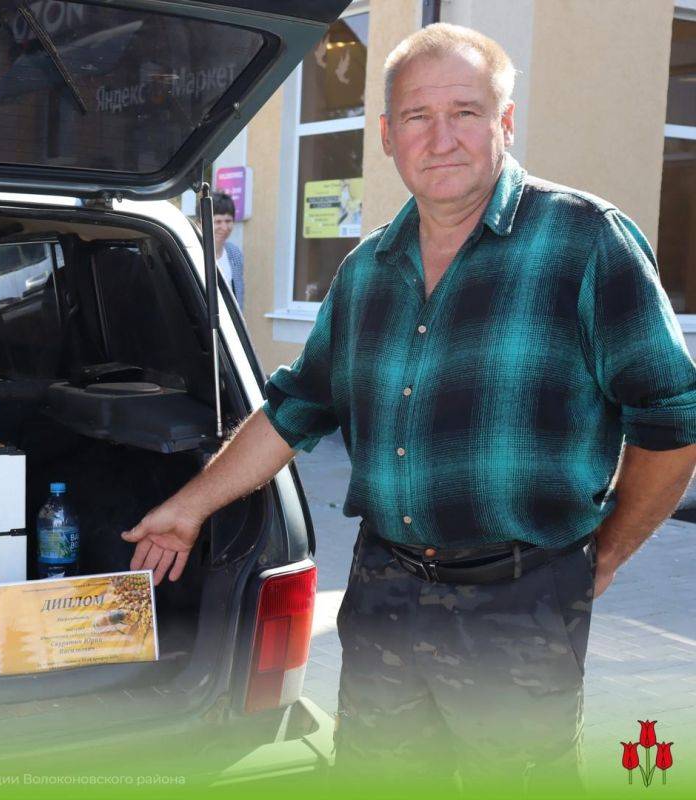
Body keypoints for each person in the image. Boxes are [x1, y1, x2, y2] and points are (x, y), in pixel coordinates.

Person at [121, 23, 696, 793]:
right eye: (418, 117)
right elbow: (297, 406)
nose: (443, 137)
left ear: (506, 123)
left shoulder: (585, 242)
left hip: (517, 603)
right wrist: (187, 508)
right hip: (386, 590)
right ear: (389, 136)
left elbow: (673, 413)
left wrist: (612, 549)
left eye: (465, 111)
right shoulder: (366, 271)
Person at [211, 191, 245, 310]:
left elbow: (238, 296)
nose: (224, 227)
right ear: (201, 223)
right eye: (218, 221)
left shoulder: (234, 253)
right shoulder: (193, 252)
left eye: (228, 221)